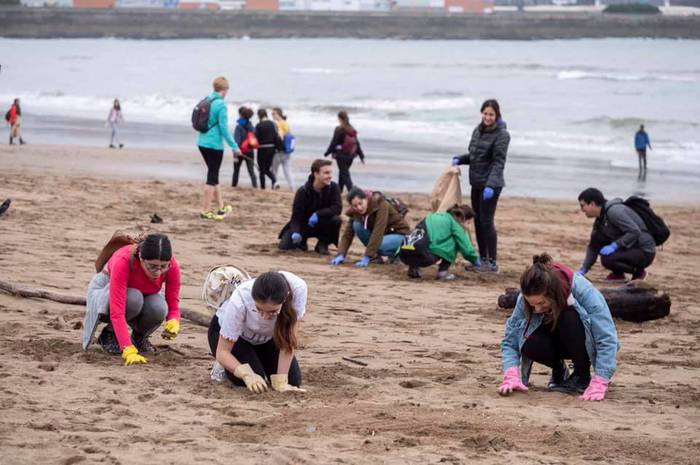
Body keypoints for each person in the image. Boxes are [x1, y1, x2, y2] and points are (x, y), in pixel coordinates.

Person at [499, 253, 618, 401]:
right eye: (532, 304)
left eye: (541, 303)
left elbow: (606, 337)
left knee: (568, 316)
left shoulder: (584, 290)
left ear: (553, 294)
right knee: (527, 341)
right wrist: (511, 374)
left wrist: (601, 379)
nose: (536, 309)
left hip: (582, 341)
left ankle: (581, 375)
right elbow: (511, 339)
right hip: (555, 339)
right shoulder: (524, 298)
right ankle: (559, 370)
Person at [82, 234, 182, 366]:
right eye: (152, 266)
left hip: (143, 294)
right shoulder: (123, 260)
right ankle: (109, 335)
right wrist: (127, 349)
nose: (158, 272)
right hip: (107, 293)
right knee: (134, 298)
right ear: (141, 258)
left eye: (163, 267)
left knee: (159, 307)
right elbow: (117, 312)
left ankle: (140, 337)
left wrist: (174, 320)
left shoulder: (172, 266)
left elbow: (173, 304)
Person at [207, 271, 307, 394]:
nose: (265, 316)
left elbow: (288, 339)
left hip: (266, 338)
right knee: (250, 382)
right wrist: (246, 374)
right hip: (234, 338)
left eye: (272, 311)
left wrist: (281, 381)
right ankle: (222, 367)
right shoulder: (240, 298)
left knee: (292, 381)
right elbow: (222, 352)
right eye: (258, 309)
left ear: (285, 297)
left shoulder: (298, 289)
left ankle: (255, 358)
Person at [452, 99, 510, 273]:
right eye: (485, 113)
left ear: (497, 115)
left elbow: (498, 162)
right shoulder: (478, 130)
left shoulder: (502, 135)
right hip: (477, 182)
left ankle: (491, 262)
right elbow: (475, 156)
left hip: (491, 185)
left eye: (491, 114)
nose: (487, 117)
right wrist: (461, 159)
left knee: (486, 221)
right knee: (477, 221)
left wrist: (491, 185)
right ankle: (482, 259)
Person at [578, 187, 656, 282]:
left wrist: (615, 246)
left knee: (607, 259)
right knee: (597, 238)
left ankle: (639, 273)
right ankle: (618, 275)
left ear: (592, 204)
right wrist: (584, 269)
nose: (582, 210)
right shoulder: (601, 218)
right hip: (630, 247)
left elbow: (634, 231)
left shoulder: (614, 212)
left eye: (583, 206)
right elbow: (593, 246)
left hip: (644, 250)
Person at [197, 76, 241, 221]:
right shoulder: (221, 105)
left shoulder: (207, 100)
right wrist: (235, 147)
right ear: (224, 90)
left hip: (202, 142)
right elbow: (224, 129)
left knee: (213, 175)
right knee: (211, 177)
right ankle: (205, 210)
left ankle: (221, 207)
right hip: (214, 145)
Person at [330, 187, 410, 267]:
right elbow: (347, 234)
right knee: (356, 225)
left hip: (400, 234)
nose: (359, 208)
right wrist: (341, 254)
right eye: (355, 206)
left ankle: (399, 255)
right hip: (384, 236)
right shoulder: (355, 212)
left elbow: (378, 230)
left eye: (360, 203)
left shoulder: (381, 204)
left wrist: (367, 256)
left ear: (366, 199)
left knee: (380, 246)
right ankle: (375, 257)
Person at [400, 204, 480, 281]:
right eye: (468, 222)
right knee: (455, 241)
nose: (468, 225)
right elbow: (466, 248)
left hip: (403, 254)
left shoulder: (433, 216)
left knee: (424, 240)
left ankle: (413, 269)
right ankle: (443, 272)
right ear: (463, 218)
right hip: (424, 256)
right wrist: (475, 260)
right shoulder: (455, 224)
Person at [279, 159, 342, 255]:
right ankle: (302, 241)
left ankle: (323, 243)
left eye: (330, 173)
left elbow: (337, 208)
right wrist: (296, 231)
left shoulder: (334, 188)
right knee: (284, 246)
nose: (330, 176)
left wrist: (318, 214)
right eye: (326, 173)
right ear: (316, 174)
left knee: (336, 220)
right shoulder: (303, 191)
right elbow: (296, 217)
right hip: (305, 225)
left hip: (324, 225)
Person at [324, 110, 365, 193]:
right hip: (351, 156)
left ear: (340, 119)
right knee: (343, 172)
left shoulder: (339, 129)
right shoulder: (351, 129)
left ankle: (353, 192)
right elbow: (357, 143)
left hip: (341, 156)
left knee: (345, 174)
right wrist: (361, 156)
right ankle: (339, 190)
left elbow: (334, 142)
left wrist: (327, 152)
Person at [255, 109, 282, 190]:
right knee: (267, 169)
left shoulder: (259, 125)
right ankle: (275, 181)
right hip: (272, 149)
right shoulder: (273, 124)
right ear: (266, 115)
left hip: (262, 149)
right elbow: (276, 136)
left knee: (261, 170)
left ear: (259, 116)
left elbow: (257, 138)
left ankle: (262, 187)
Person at [233, 106, 258, 189]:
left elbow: (237, 141)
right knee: (251, 171)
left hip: (240, 151)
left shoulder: (239, 127)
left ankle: (234, 186)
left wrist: (235, 154)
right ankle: (255, 186)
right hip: (250, 150)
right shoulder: (251, 126)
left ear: (240, 115)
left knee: (236, 170)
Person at [271, 107, 295, 191]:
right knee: (287, 170)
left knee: (274, 169)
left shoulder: (278, 124)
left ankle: (275, 185)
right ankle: (292, 187)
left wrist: (277, 147)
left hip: (280, 150)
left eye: (274, 114)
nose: (272, 116)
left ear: (279, 114)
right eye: (272, 114)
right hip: (287, 150)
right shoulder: (286, 123)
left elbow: (280, 136)